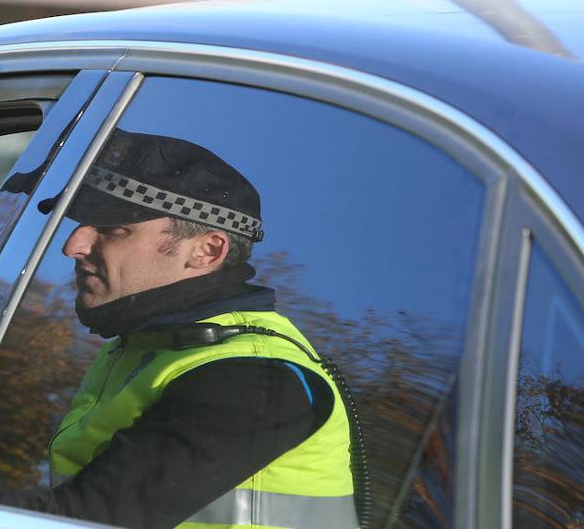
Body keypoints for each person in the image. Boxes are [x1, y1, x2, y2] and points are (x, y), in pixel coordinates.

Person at [30, 130, 358, 528]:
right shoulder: (148, 348)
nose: (73, 245)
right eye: (84, 223)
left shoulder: (250, 381)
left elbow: (76, 521)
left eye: (114, 228)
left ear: (206, 251)